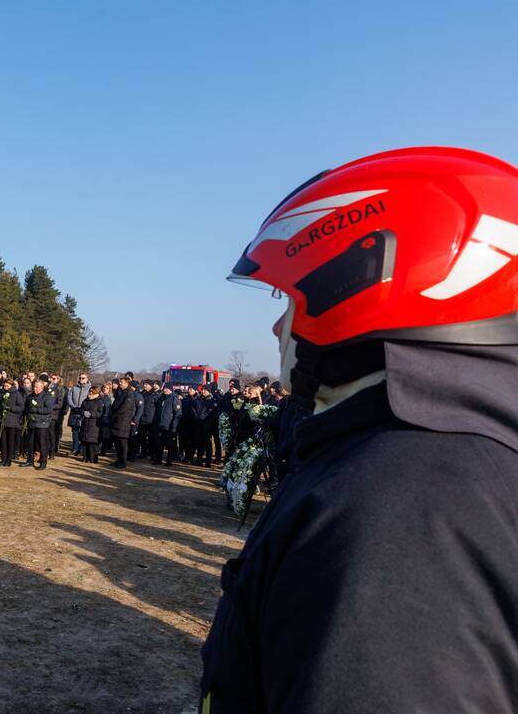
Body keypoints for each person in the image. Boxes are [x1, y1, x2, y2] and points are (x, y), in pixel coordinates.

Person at [198, 146, 518, 710]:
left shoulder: (402, 509)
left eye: (289, 297)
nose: (278, 326)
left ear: (356, 284)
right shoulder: (453, 457)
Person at [22, 377, 55, 469]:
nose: (35, 388)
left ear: (42, 387)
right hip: (32, 423)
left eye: (37, 387)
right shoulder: (30, 396)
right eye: (34, 387)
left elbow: (48, 410)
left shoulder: (47, 396)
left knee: (42, 443)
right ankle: (29, 460)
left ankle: (43, 462)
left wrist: (37, 410)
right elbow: (26, 409)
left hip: (42, 423)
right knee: (30, 443)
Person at [0, 378, 25, 466]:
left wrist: (10, 408)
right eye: (4, 385)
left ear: (11, 385)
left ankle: (8, 460)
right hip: (3, 420)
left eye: (7, 386)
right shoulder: (2, 392)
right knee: (3, 441)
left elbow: (21, 407)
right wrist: (0, 406)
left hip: (12, 421)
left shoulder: (17, 394)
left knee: (10, 441)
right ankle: (3, 459)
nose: (5, 387)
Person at [150, 382, 181, 466]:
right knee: (159, 444)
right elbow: (157, 412)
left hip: (169, 426)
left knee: (170, 445)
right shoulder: (161, 398)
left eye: (166, 388)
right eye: (164, 388)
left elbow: (177, 414)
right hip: (160, 425)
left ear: (170, 389)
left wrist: (174, 426)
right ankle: (158, 459)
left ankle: (169, 461)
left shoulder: (175, 399)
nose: (165, 390)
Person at [108, 377, 135, 469]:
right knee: (117, 442)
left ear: (127, 383)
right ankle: (118, 460)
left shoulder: (129, 394)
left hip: (123, 421)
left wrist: (114, 415)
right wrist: (111, 412)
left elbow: (125, 408)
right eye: (120, 382)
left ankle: (123, 462)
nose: (120, 383)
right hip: (116, 421)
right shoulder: (120, 392)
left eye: (122, 382)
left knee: (122, 443)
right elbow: (115, 404)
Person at [79, 386, 104, 463]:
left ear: (96, 393)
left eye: (92, 392)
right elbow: (81, 409)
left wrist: (91, 414)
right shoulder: (85, 400)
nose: (90, 393)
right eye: (89, 392)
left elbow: (100, 413)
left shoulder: (99, 402)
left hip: (94, 426)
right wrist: (83, 412)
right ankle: (85, 457)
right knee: (85, 442)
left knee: (92, 443)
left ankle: (93, 459)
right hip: (85, 424)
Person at [66, 373, 90, 455]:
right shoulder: (74, 388)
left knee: (82, 432)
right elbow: (69, 398)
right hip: (74, 412)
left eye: (83, 378)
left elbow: (90, 400)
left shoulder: (89, 389)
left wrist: (83, 409)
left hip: (83, 413)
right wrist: (73, 407)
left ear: (87, 379)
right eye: (80, 378)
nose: (81, 379)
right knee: (75, 432)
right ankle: (74, 449)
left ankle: (81, 449)